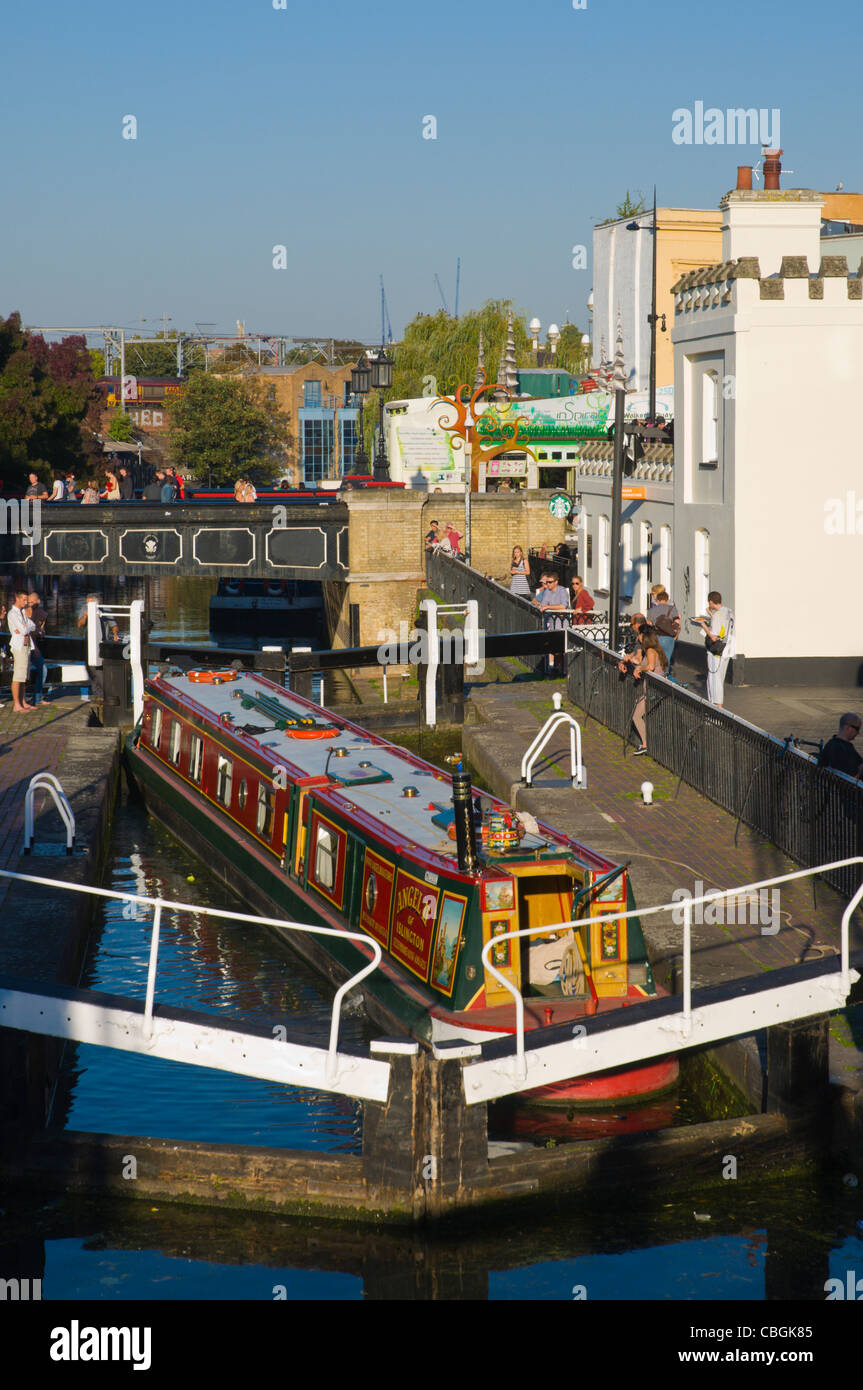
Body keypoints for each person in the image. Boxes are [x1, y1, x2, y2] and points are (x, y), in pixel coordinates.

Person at [626, 630, 668, 755]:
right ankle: (646, 743)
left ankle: (645, 744)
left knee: (636, 716)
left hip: (653, 689)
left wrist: (639, 668)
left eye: (641, 636)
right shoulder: (653, 650)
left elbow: (650, 666)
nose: (639, 638)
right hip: (651, 689)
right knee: (638, 711)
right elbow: (643, 662)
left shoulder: (650, 650)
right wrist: (630, 660)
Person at [692, 590, 735, 707]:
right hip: (727, 649)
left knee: (714, 680)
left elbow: (714, 637)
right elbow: (722, 624)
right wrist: (711, 614)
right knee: (720, 678)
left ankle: (717, 708)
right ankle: (717, 707)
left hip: (716, 652)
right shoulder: (728, 611)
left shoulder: (717, 616)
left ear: (711, 602)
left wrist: (702, 624)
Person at [533, 571, 569, 675]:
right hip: (552, 622)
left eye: (550, 582)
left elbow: (563, 606)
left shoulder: (562, 591)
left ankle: (563, 670)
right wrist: (545, 606)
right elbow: (543, 604)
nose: (548, 584)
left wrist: (549, 607)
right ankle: (553, 668)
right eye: (547, 582)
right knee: (553, 646)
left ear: (556, 582)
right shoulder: (547, 592)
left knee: (561, 647)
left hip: (562, 623)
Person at [8, 590, 36, 712]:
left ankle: (23, 701)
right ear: (17, 599)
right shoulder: (12, 614)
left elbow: (33, 626)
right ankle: (16, 704)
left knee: (24, 675)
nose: (26, 602)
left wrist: (26, 628)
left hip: (27, 646)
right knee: (18, 675)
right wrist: (26, 628)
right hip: (19, 646)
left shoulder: (23, 612)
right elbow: (23, 630)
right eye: (24, 599)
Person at [647, 585, 681, 675]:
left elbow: (649, 624)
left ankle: (655, 679)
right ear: (667, 600)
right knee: (666, 661)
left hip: (655, 638)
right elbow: (677, 623)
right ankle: (664, 677)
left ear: (657, 599)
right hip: (669, 638)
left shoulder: (651, 610)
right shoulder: (672, 608)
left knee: (655, 660)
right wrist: (675, 636)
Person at [817, 714, 863, 779]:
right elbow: (850, 779)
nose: (858, 732)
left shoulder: (835, 744)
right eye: (857, 729)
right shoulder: (839, 748)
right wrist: (860, 770)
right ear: (848, 728)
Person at [27, 590, 46, 704]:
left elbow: (42, 629)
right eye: (29, 602)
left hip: (35, 645)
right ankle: (22, 699)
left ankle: (37, 697)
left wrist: (42, 632)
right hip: (28, 646)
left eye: (33, 602)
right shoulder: (24, 613)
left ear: (38, 601)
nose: (30, 604)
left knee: (43, 670)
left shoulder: (42, 614)